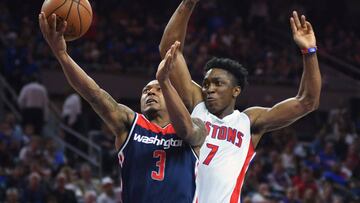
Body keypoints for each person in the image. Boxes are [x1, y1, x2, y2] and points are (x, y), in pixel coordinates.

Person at [159, 0, 321, 202]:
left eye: (218, 83)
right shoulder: (197, 102)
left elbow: (307, 102)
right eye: (206, 83)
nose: (209, 88)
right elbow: (169, 50)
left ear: (235, 91)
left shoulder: (249, 122)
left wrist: (309, 52)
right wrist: (189, 2)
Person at [38, 12, 203, 203]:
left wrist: (164, 81)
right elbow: (94, 94)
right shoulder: (130, 123)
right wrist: (62, 55)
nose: (150, 92)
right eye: (146, 90)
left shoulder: (197, 124)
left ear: (171, 96)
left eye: (157, 90)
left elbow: (188, 132)